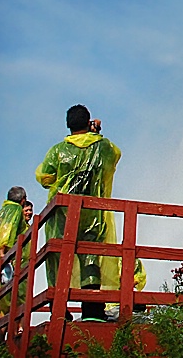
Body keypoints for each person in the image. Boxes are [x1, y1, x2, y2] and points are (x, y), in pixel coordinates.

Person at [35, 104, 121, 321]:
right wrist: (96, 135)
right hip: (92, 211)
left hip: (62, 212)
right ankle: (92, 310)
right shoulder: (103, 147)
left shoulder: (57, 151)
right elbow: (115, 157)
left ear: (68, 125)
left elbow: (44, 177)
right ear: (88, 122)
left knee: (58, 256)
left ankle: (59, 310)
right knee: (90, 254)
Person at [0, 187, 29, 317]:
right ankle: (12, 332)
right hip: (9, 258)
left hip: (2, 258)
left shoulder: (3, 210)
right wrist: (4, 252)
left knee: (7, 298)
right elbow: (7, 230)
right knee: (14, 298)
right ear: (23, 200)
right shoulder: (15, 209)